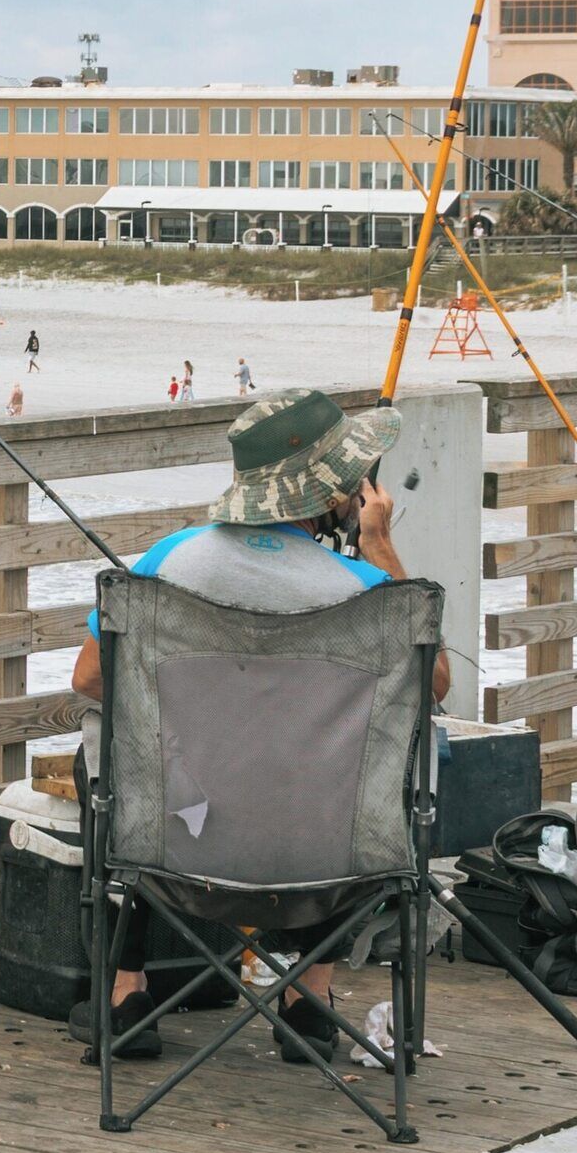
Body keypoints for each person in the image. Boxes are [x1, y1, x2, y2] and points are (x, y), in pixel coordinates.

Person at [64, 388, 446, 1065]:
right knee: (365, 762)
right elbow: (433, 686)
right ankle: (308, 1000)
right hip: (322, 854)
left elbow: (90, 681)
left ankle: (126, 994)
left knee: (126, 752)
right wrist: (381, 545)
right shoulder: (363, 593)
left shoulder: (162, 567)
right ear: (338, 494)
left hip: (183, 841)